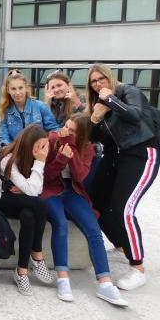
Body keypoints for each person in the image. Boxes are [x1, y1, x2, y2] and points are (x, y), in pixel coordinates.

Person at [87, 63, 160, 291]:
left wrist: (110, 99)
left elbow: (135, 115)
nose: (98, 84)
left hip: (141, 153)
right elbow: (95, 138)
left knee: (124, 209)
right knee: (96, 200)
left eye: (101, 79)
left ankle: (138, 268)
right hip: (117, 157)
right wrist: (95, 118)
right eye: (93, 81)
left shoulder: (128, 91)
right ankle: (121, 245)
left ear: (110, 78)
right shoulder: (100, 104)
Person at [41, 114, 127, 306]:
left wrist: (70, 148)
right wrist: (61, 158)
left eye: (72, 131)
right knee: (60, 224)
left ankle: (105, 283)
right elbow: (46, 177)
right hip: (50, 190)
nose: (66, 131)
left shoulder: (87, 148)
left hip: (72, 191)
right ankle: (63, 279)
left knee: (94, 230)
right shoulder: (52, 139)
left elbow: (80, 176)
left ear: (82, 136)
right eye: (66, 126)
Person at [0, 124, 54, 296]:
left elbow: (35, 189)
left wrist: (26, 186)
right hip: (3, 198)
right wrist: (38, 165)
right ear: (28, 143)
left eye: (45, 145)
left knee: (28, 215)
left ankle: (21, 271)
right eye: (40, 145)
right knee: (40, 204)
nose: (43, 150)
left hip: (25, 201)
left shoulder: (37, 156)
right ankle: (37, 254)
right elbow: (33, 190)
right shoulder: (7, 158)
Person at [0, 69, 59, 147]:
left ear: (26, 88)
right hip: (15, 150)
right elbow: (4, 136)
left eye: (20, 88)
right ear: (8, 90)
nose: (17, 92)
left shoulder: (41, 106)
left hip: (38, 149)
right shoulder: (6, 110)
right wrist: (7, 148)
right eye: (13, 89)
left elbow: (54, 131)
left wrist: (44, 145)